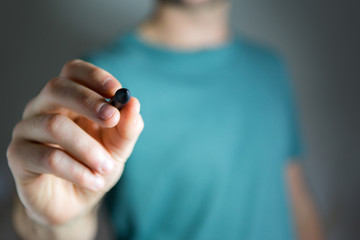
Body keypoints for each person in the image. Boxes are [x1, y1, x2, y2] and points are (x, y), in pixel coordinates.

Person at [7, 0, 324, 239]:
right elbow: (48, 210)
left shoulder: (270, 70)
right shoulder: (97, 81)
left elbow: (296, 200)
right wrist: (56, 223)